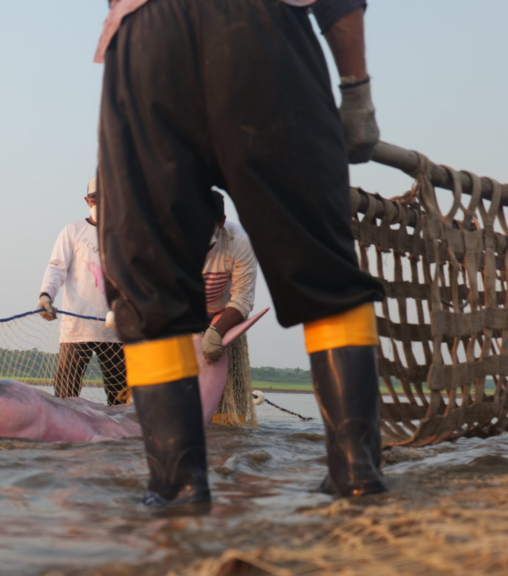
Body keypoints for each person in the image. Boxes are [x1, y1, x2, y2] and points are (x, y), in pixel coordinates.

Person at [96, 0, 386, 507]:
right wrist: (356, 90)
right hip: (262, 30)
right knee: (323, 265)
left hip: (146, 39)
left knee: (148, 281)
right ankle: (357, 476)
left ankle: (176, 492)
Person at [37, 176, 127, 406]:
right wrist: (46, 295)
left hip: (115, 331)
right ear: (87, 201)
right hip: (76, 330)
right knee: (65, 401)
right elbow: (56, 267)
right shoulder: (73, 231)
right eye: (96, 199)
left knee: (121, 403)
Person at [200, 191, 258, 364]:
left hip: (221, 316)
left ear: (221, 222)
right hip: (181, 313)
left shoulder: (238, 241)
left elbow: (242, 298)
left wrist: (216, 332)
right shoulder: (170, 235)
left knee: (222, 368)